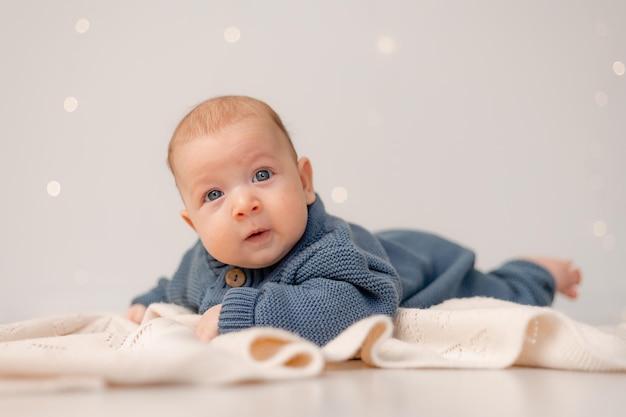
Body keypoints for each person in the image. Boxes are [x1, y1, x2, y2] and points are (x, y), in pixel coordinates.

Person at [127, 95, 581, 346]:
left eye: (262, 175)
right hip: (379, 247)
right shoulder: (204, 260)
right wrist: (144, 303)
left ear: (305, 183)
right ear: (195, 226)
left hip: (429, 268)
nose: (243, 204)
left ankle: (535, 269)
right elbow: (174, 289)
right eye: (214, 194)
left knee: (504, 297)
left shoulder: (328, 250)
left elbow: (353, 308)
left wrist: (248, 314)